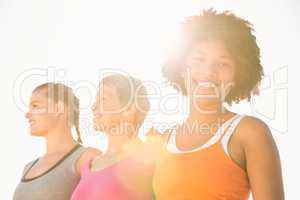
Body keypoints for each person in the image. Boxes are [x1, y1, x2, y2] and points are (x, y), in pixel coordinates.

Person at [152, 9, 285, 200]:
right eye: (199, 59)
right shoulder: (163, 141)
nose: (208, 72)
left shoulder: (249, 132)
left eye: (222, 64)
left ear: (237, 75)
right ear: (181, 68)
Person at [71, 74, 154, 200]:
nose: (93, 107)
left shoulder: (148, 161)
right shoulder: (87, 166)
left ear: (129, 109)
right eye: (95, 100)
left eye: (103, 100)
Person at [13, 83, 101, 200]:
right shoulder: (28, 168)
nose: (27, 114)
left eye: (35, 106)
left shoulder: (87, 158)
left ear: (58, 108)